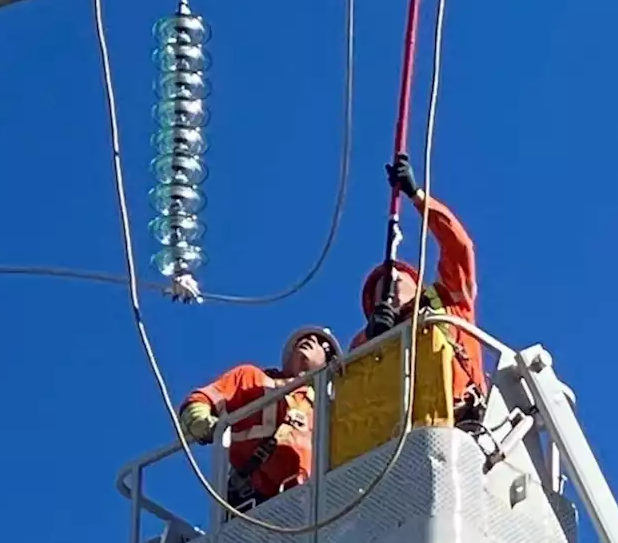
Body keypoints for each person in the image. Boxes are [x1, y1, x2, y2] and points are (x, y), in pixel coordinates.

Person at [352, 158, 487, 419]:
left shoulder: (448, 299)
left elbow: (459, 247)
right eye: (381, 288)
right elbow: (354, 390)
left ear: (418, 284)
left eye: (397, 277)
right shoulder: (365, 342)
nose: (390, 283)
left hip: (463, 414)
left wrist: (417, 196)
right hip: (404, 430)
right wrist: (373, 339)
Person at [178, 326, 341, 507]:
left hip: (308, 502)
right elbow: (201, 400)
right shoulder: (253, 379)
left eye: (322, 344)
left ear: (329, 362)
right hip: (252, 500)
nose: (311, 339)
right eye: (304, 338)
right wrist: (199, 420)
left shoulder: (329, 407)